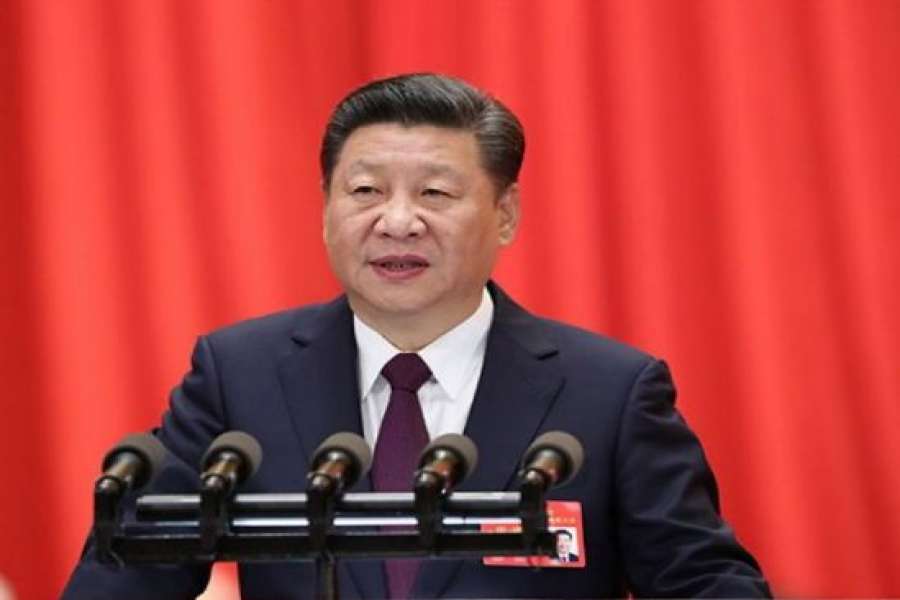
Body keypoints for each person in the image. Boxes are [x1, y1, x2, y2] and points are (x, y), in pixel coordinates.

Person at [63, 73, 771, 599]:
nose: (397, 222)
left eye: (435, 193)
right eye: (365, 191)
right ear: (326, 209)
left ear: (504, 214)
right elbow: (126, 574)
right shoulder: (238, 374)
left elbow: (705, 583)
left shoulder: (608, 393)